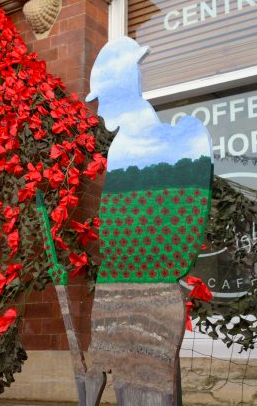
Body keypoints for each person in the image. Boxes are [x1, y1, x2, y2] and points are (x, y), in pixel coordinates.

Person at [83, 36, 213, 406]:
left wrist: (152, 274)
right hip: (122, 292)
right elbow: (116, 232)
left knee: (148, 387)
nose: (101, 109)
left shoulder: (173, 142)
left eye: (104, 97)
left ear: (122, 88)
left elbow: (178, 224)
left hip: (150, 296)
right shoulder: (122, 145)